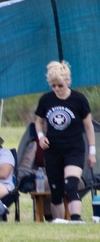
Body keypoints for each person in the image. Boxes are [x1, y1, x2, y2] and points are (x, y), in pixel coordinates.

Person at [34, 61, 96, 223]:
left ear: (67, 82)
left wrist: (92, 151)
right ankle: (59, 223)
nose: (56, 89)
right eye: (53, 86)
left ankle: (76, 219)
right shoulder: (46, 100)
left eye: (60, 85)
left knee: (71, 185)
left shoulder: (79, 99)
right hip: (53, 149)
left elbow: (89, 127)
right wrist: (41, 136)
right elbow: (38, 121)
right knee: (56, 190)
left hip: (74, 148)